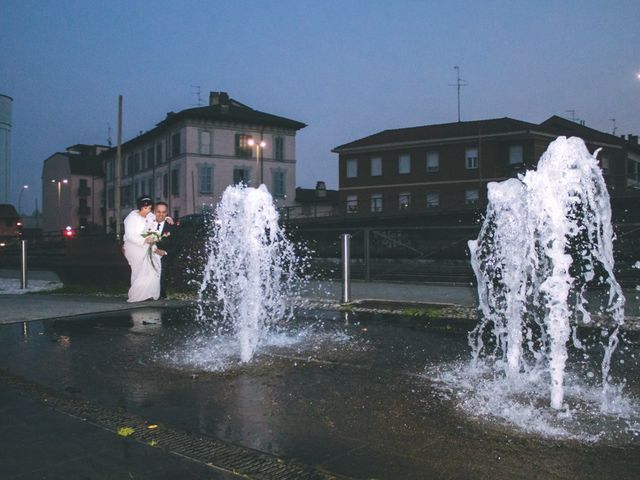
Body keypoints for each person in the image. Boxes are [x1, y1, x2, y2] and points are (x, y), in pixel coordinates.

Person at [123, 196, 161, 302]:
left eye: (149, 208)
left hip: (149, 246)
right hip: (134, 246)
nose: (147, 211)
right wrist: (144, 240)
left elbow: (157, 225)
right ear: (140, 207)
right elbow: (130, 235)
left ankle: (150, 294)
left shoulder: (150, 216)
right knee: (140, 271)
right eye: (145, 208)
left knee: (153, 269)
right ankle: (138, 295)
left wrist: (154, 236)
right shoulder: (131, 218)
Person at [152, 201, 176, 299]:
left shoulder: (171, 226)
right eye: (158, 212)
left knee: (163, 271)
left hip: (163, 257)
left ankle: (161, 295)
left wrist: (165, 252)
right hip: (148, 254)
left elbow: (176, 245)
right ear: (154, 212)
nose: (161, 214)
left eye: (164, 212)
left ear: (167, 213)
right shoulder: (149, 223)